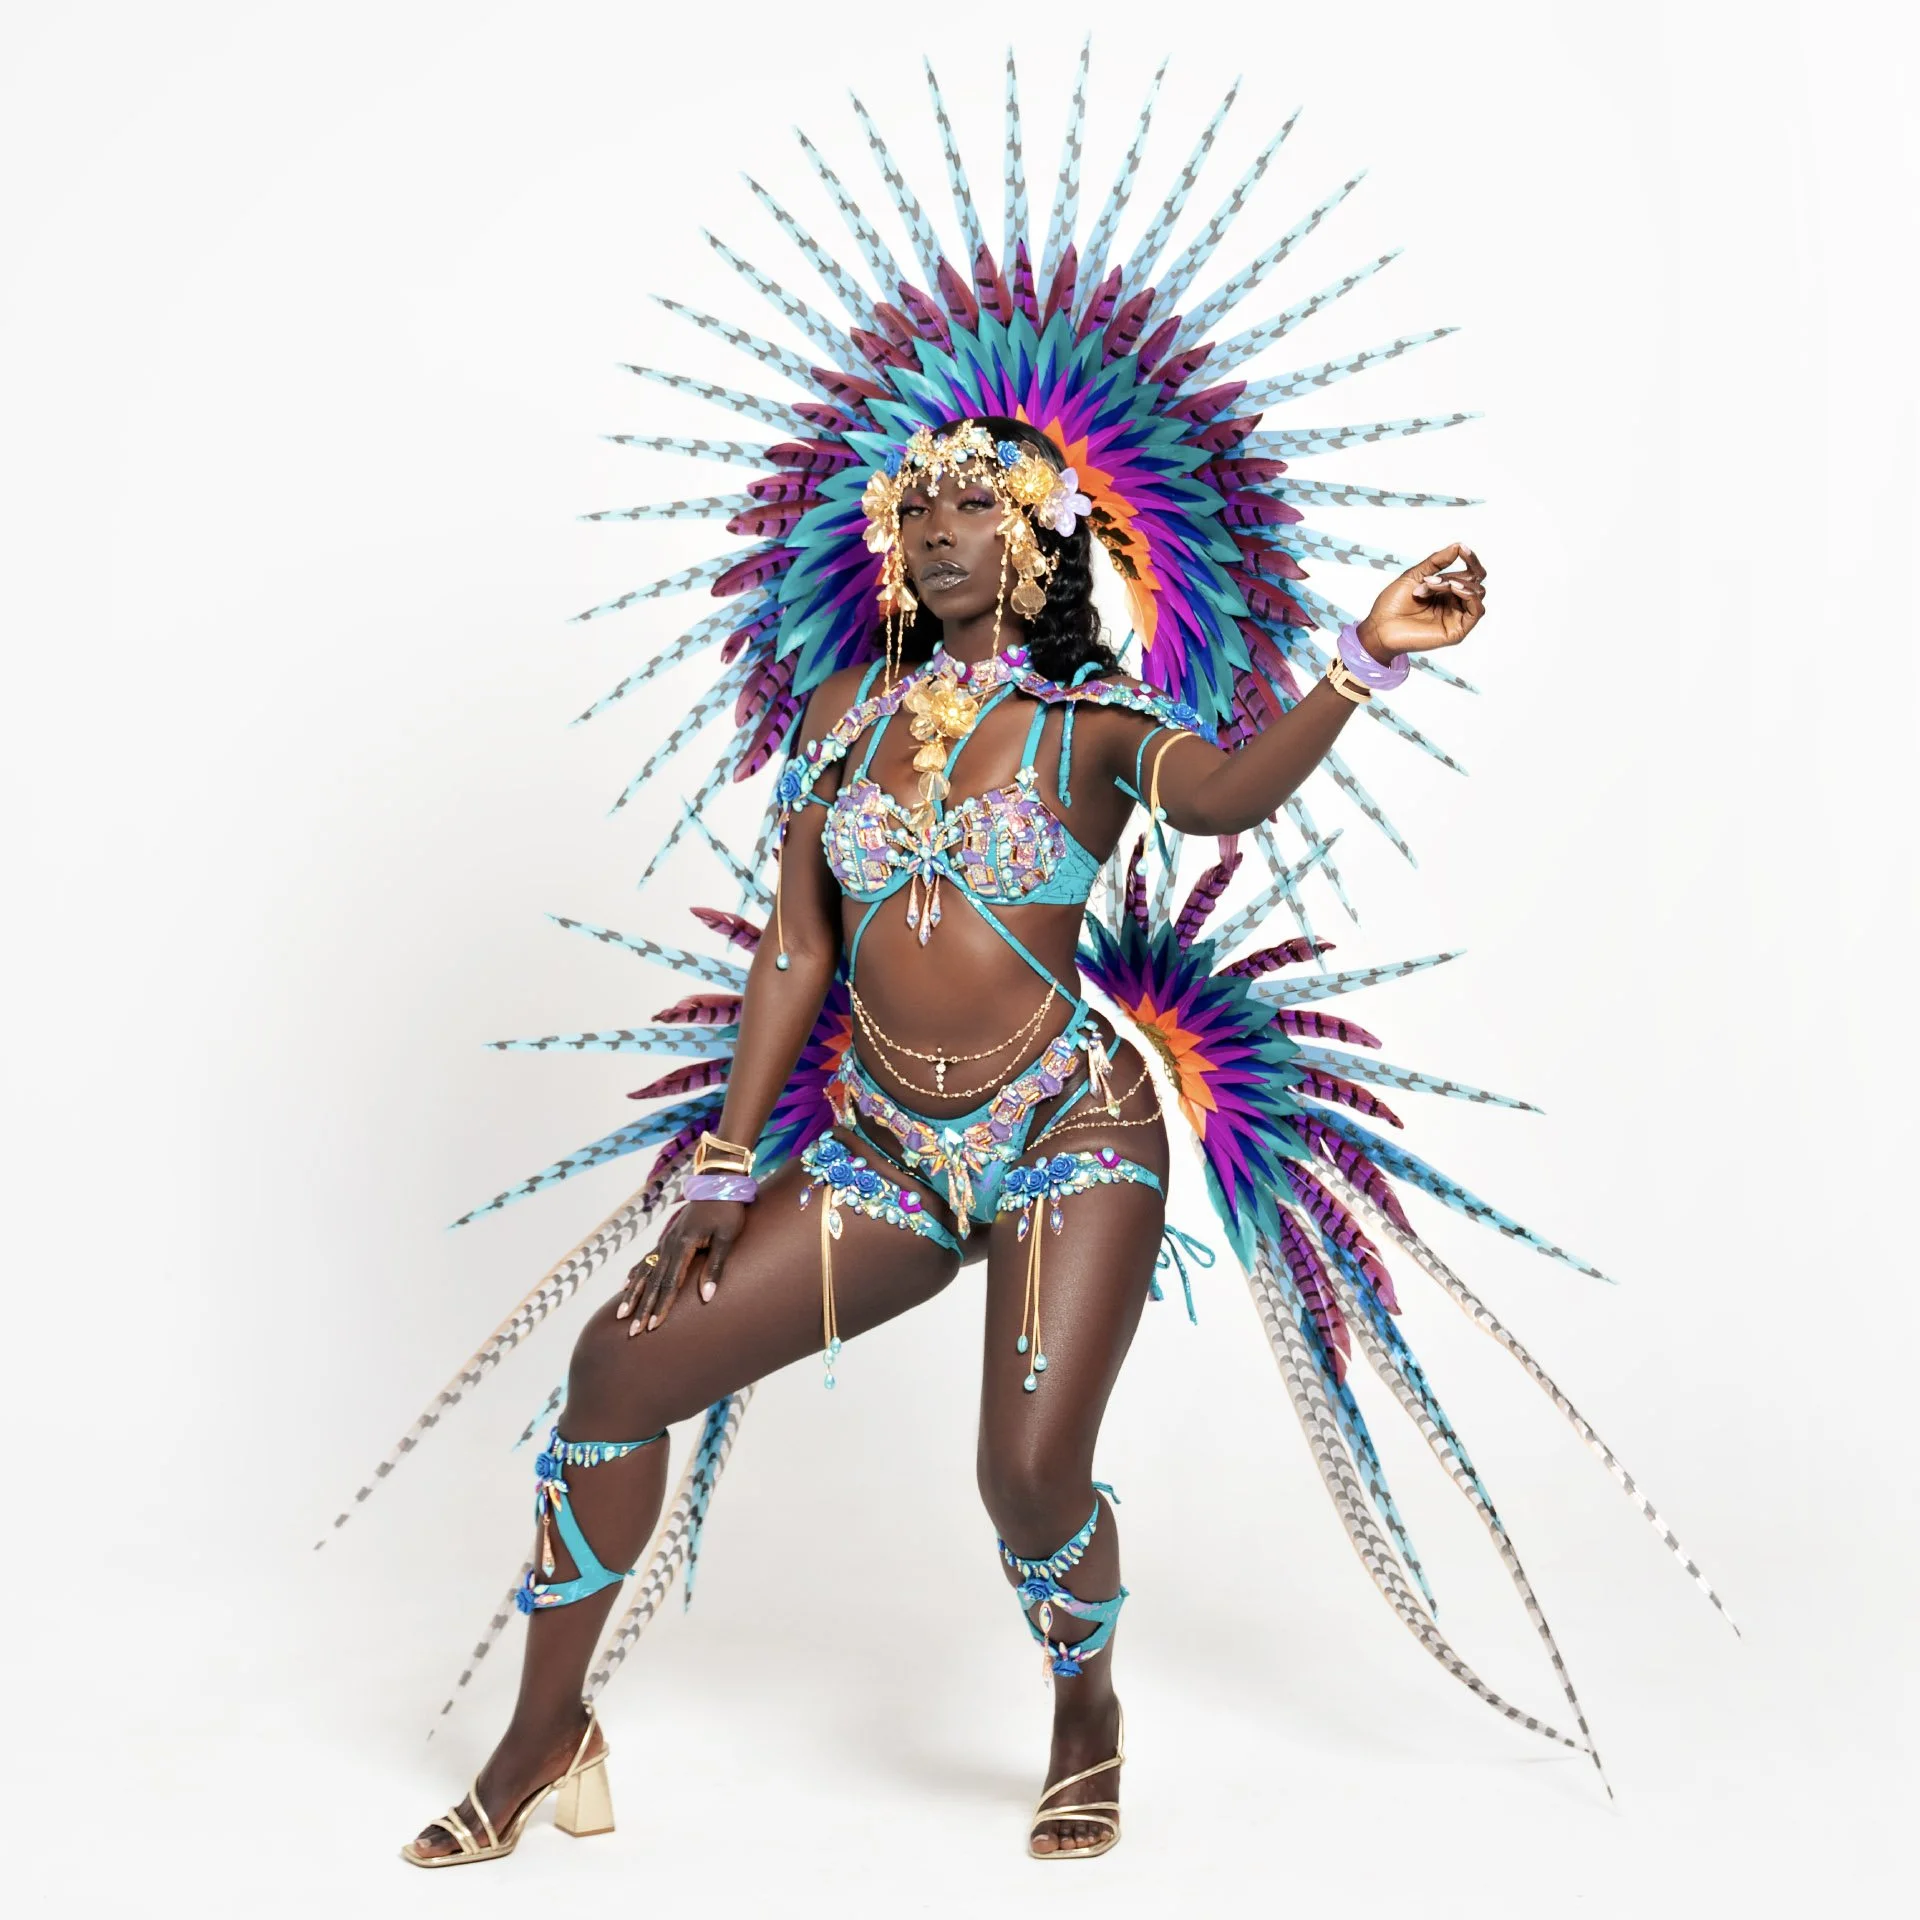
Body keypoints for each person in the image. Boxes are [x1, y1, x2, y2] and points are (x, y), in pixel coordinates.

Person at [400, 416, 1485, 1865]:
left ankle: (1085, 1712)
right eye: (916, 510)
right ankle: (546, 1737)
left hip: (1068, 1132)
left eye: (976, 505)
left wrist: (1365, 656)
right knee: (617, 1366)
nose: (938, 530)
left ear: (1039, 540)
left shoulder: (1088, 729)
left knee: (1026, 1479)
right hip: (887, 1151)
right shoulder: (843, 712)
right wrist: (722, 1170)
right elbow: (795, 950)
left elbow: (1225, 797)